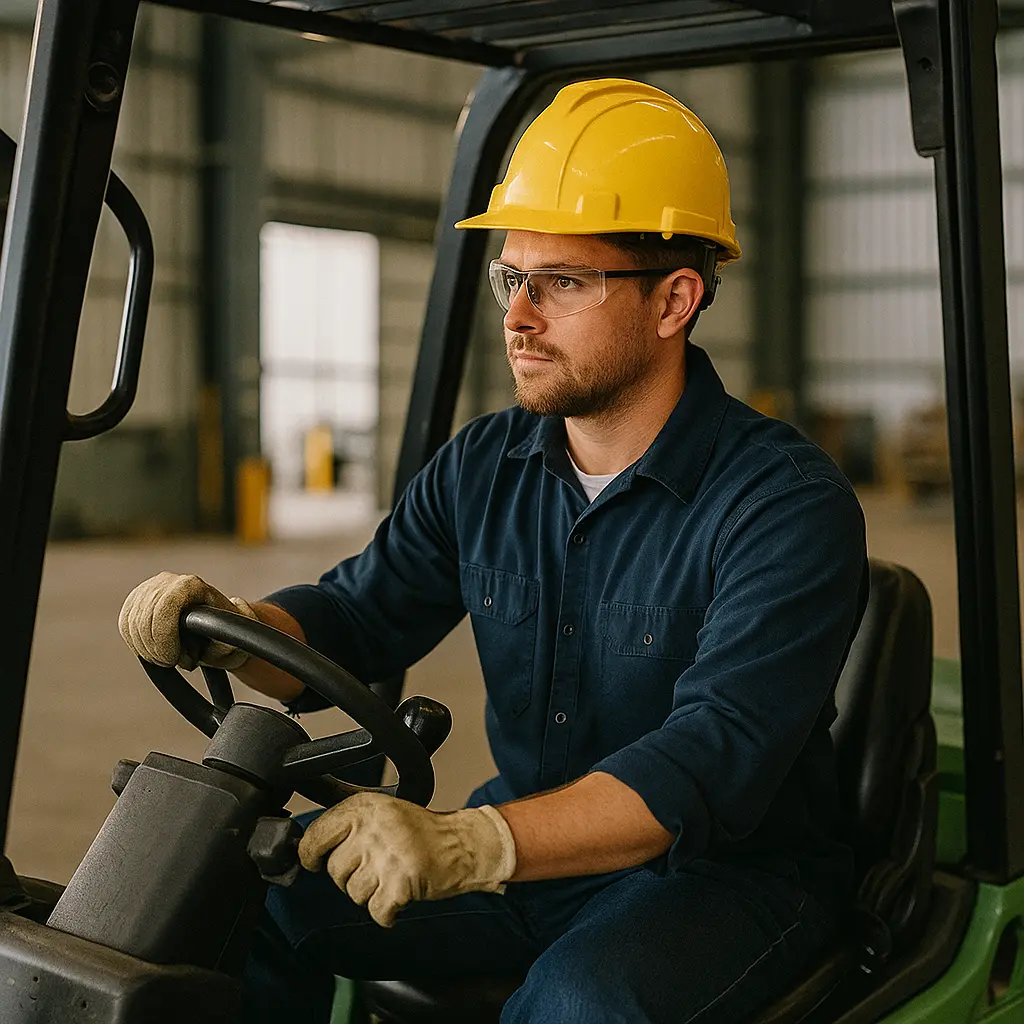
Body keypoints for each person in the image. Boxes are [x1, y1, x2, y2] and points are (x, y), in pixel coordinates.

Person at [119, 78, 868, 1024]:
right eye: (512, 278)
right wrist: (235, 630)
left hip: (725, 875)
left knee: (581, 1004)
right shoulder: (486, 464)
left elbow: (710, 761)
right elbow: (360, 615)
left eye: (565, 282)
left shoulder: (784, 505)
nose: (519, 318)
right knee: (234, 889)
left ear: (676, 298)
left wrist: (472, 844)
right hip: (525, 840)